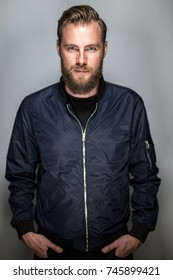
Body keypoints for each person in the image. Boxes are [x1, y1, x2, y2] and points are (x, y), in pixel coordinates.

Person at [5, 5, 161, 260]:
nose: (81, 60)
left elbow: (146, 175)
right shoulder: (33, 108)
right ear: (58, 49)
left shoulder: (129, 105)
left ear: (104, 49)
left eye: (91, 48)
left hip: (113, 254)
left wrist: (140, 231)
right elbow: (20, 175)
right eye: (71, 48)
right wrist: (25, 229)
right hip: (53, 254)